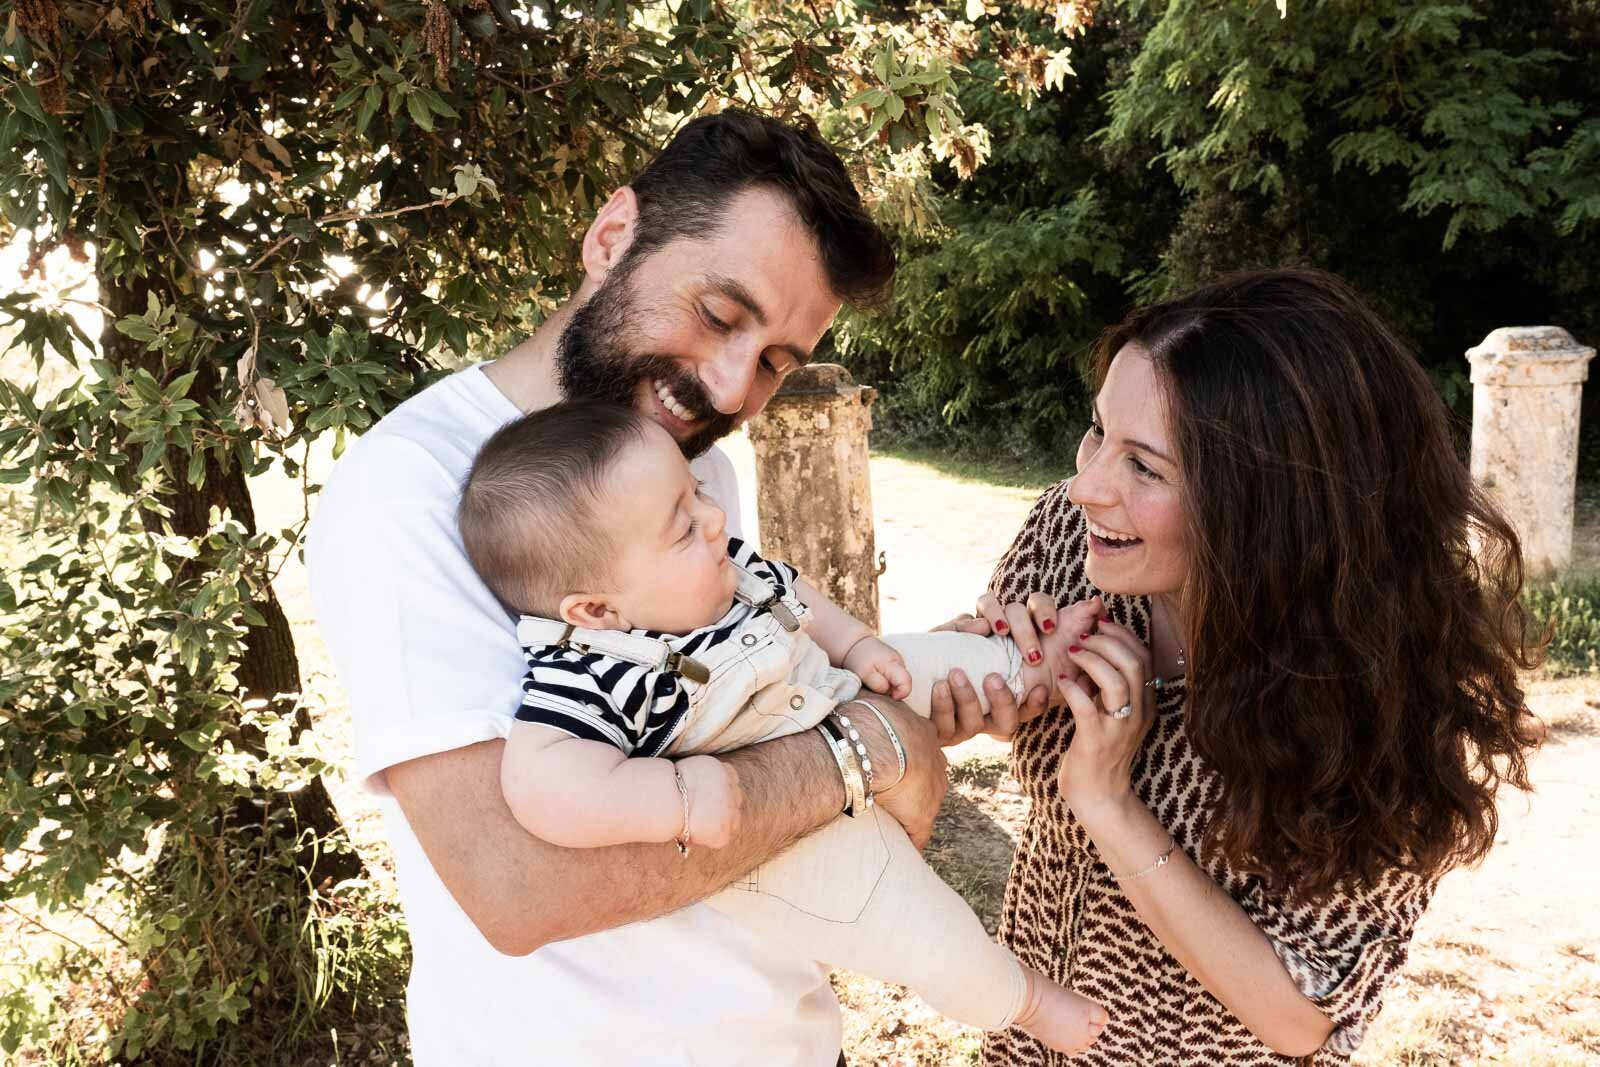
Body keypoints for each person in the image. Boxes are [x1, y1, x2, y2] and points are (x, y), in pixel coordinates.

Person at [305, 110, 951, 1065]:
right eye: (720, 316)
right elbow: (519, 886)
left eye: (774, 361)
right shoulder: (413, 483)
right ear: (612, 238)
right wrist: (862, 753)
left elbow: (749, 702)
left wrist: (913, 693)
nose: (732, 388)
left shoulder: (694, 470)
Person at [927, 268, 1545, 1065]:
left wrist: (1109, 801)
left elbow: (1301, 1019)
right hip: (1024, 1042)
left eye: (1144, 467)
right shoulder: (1074, 548)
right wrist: (975, 670)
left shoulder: (1380, 705)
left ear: (1268, 507)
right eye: (1096, 433)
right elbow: (965, 692)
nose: (1085, 486)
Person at [455, 399, 1110, 1054]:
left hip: (829, 686)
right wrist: (676, 802)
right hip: (793, 849)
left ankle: (1033, 662)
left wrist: (856, 645)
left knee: (934, 663)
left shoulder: (727, 568)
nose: (714, 521)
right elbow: (540, 779)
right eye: (682, 528)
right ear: (596, 608)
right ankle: (1022, 997)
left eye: (698, 495)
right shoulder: (590, 670)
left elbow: (800, 600)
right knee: (923, 932)